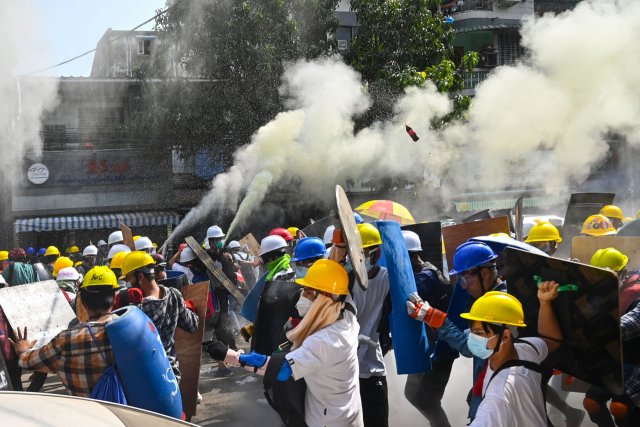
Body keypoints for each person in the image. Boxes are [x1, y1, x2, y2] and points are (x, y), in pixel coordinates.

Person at [407, 284, 562, 426]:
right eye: (473, 332)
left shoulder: (498, 396)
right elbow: (551, 339)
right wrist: (545, 303)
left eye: (479, 333)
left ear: (506, 336)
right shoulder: (526, 349)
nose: (473, 338)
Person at [240, 259, 363, 427]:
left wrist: (233, 357)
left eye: (308, 293)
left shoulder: (322, 341)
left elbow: (282, 370)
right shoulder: (347, 316)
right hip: (350, 416)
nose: (301, 298)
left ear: (325, 298)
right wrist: (339, 246)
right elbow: (340, 289)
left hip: (327, 422)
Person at [407, 241, 505, 421]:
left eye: (465, 279)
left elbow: (471, 347)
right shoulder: (488, 298)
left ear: (484, 273)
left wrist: (437, 319)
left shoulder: (498, 304)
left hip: (499, 395)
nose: (464, 286)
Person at [10, 266, 120, 397]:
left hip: (86, 413)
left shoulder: (66, 340)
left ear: (83, 302)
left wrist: (23, 350)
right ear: (114, 297)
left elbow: (28, 362)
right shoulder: (131, 329)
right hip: (129, 412)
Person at [115, 251, 199, 381]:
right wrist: (187, 307)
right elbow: (192, 326)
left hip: (145, 377)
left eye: (128, 279)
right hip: (171, 374)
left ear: (141, 277)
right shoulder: (174, 295)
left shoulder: (137, 309)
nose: (128, 283)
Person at [401, 230, 456, 427]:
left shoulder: (426, 275)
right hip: (429, 347)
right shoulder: (421, 273)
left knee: (426, 399)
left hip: (441, 348)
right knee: (416, 395)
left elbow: (405, 298)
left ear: (414, 256)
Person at [585, 247, 640, 426]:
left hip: (633, 358)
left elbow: (619, 327)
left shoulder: (633, 291)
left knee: (621, 409)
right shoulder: (596, 288)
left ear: (623, 273)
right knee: (592, 403)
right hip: (611, 356)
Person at [206, 225, 241, 376]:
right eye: (217, 239)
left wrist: (231, 263)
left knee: (225, 325)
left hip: (224, 295)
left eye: (221, 238)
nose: (220, 241)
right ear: (211, 241)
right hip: (213, 297)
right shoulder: (206, 257)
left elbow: (234, 270)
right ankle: (227, 359)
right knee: (220, 328)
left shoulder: (224, 254)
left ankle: (231, 358)